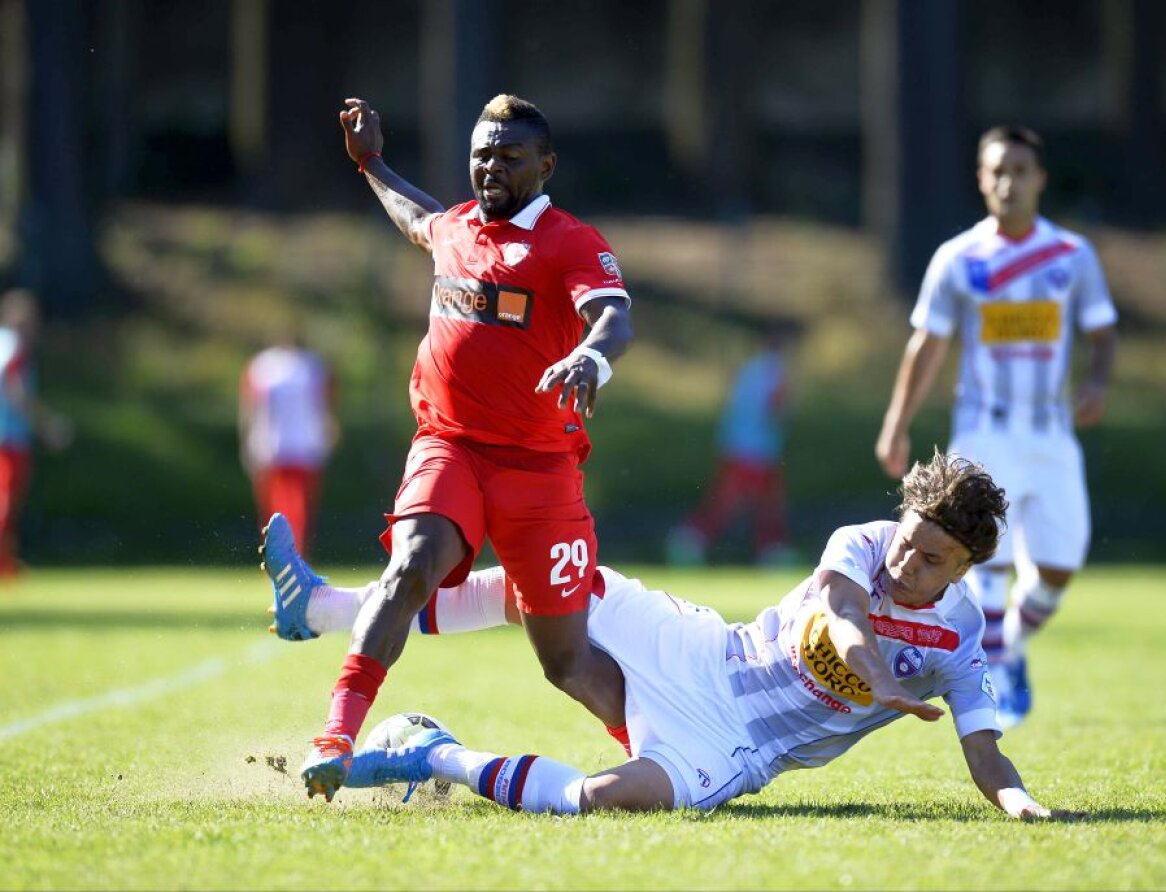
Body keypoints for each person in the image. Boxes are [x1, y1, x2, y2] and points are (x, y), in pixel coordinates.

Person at [311, 451, 1081, 820]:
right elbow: (844, 615)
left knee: (602, 799)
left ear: (968, 566)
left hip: (738, 746)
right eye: (908, 541)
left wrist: (1019, 804)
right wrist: (879, 681)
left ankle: (432, 754)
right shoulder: (862, 542)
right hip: (709, 652)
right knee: (559, 588)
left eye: (931, 559)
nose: (907, 561)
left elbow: (984, 749)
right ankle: (329, 609)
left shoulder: (959, 637)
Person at [263, 93, 634, 802]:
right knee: (410, 567)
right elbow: (416, 217)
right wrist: (371, 163)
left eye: (510, 156)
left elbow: (613, 315)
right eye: (481, 155)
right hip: (450, 445)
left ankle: (663, 755)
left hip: (540, 468)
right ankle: (335, 736)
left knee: (565, 661)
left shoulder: (570, 242)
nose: (491, 167)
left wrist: (592, 356)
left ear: (547, 165)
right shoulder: (457, 225)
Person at [874, 126, 1118, 728]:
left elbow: (1101, 330)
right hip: (985, 432)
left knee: (1059, 567)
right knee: (984, 560)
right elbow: (927, 344)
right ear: (982, 180)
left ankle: (1010, 643)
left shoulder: (1072, 256)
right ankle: (997, 674)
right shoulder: (959, 258)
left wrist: (1096, 382)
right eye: (998, 171)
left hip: (1052, 433)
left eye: (1020, 170)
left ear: (1040, 179)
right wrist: (897, 423)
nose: (1009, 182)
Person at [666, 322, 797, 566]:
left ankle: (771, 550)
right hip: (757, 449)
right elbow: (777, 408)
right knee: (744, 503)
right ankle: (691, 540)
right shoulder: (775, 370)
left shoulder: (750, 368)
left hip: (738, 445)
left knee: (759, 502)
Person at [239, 328, 338, 557]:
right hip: (297, 445)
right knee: (292, 509)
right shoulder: (310, 366)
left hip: (281, 446)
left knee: (283, 510)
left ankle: (285, 556)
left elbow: (249, 408)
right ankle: (290, 556)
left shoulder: (264, 366)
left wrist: (248, 440)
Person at [0, 289, 73, 578]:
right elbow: (16, 392)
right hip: (8, 439)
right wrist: (47, 425)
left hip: (10, 437)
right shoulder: (14, 346)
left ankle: (5, 562)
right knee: (6, 500)